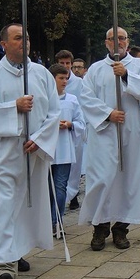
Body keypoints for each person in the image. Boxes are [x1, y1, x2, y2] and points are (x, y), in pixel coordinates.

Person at [0, 24, 61, 279]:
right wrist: (14, 107)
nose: (23, 42)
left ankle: (18, 250)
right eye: (17, 38)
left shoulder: (42, 74)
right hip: (3, 152)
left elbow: (54, 112)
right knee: (2, 205)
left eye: (26, 37)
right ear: (3, 44)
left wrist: (41, 138)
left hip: (32, 152)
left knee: (26, 205)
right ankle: (4, 265)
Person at [78, 27, 140, 251]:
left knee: (128, 178)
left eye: (121, 38)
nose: (117, 42)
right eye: (113, 39)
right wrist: (107, 113)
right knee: (102, 179)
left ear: (127, 42)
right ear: (106, 43)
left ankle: (121, 228)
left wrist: (126, 75)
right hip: (104, 133)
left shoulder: (139, 65)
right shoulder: (95, 69)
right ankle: (100, 227)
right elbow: (86, 97)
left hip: (131, 132)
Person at [48, 63, 85, 234]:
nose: (64, 81)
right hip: (47, 148)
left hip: (64, 149)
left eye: (66, 78)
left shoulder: (72, 100)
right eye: (61, 78)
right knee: (47, 187)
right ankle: (47, 219)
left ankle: (58, 220)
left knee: (60, 186)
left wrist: (70, 124)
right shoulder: (44, 99)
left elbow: (81, 123)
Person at [54, 50, 85, 211]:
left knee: (74, 167)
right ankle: (55, 212)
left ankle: (72, 194)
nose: (65, 67)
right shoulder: (49, 85)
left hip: (72, 134)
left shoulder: (79, 84)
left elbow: (82, 110)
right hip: (53, 139)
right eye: (62, 63)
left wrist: (72, 124)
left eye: (68, 63)